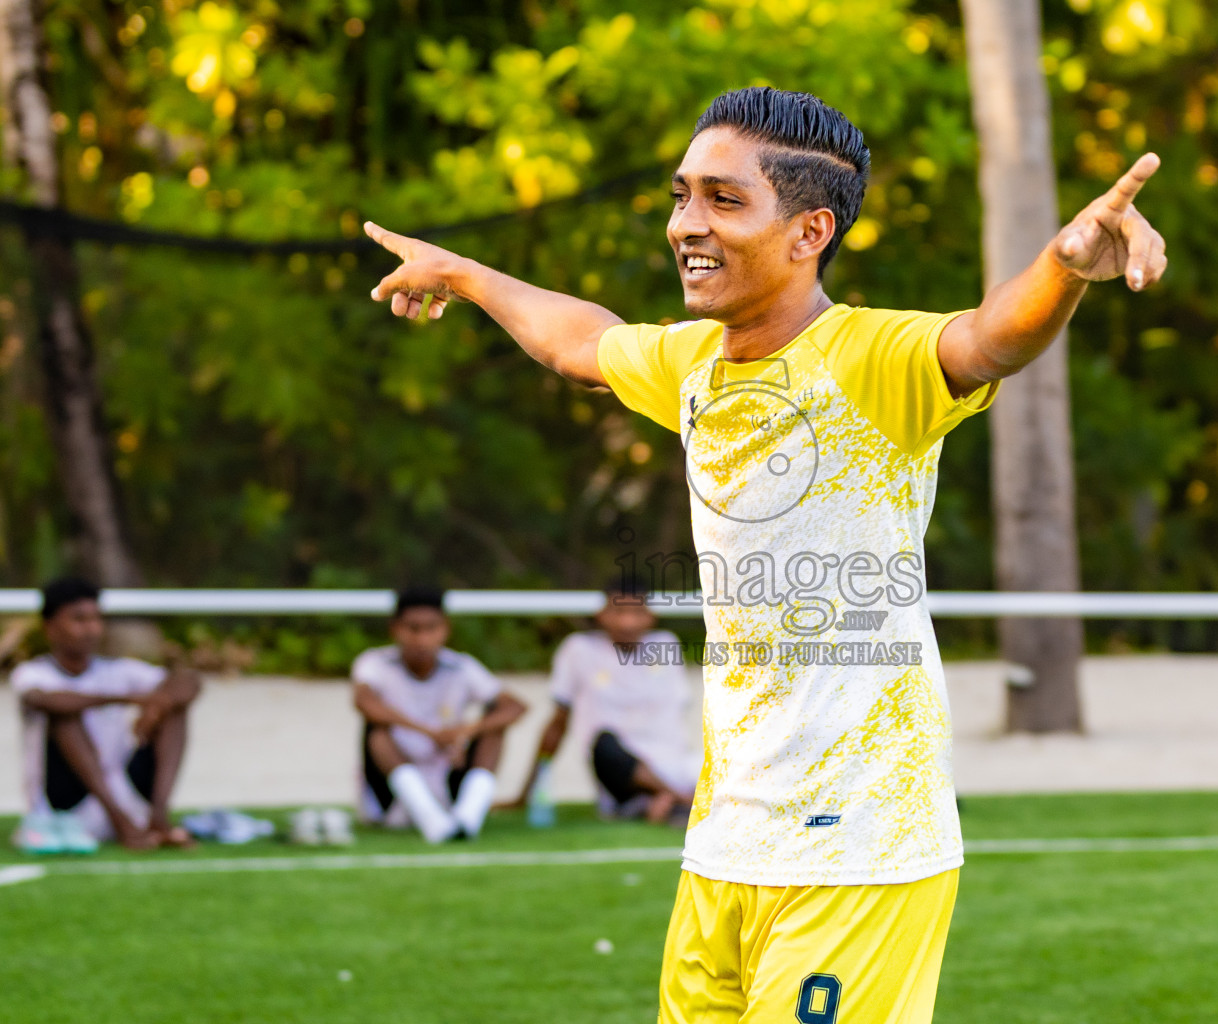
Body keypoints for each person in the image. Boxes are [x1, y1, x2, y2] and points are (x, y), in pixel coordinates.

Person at [366, 87, 1166, 1023]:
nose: (685, 224)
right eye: (680, 196)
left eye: (722, 199)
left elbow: (988, 340)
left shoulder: (871, 357)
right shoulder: (695, 362)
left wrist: (1064, 269)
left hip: (859, 850)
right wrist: (463, 274)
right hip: (727, 844)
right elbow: (581, 342)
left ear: (808, 231)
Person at [12, 577, 201, 851]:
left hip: (126, 792)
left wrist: (159, 704)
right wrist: (129, 699)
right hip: (67, 809)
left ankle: (158, 817)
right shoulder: (33, 673)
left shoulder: (118, 669)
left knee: (175, 709)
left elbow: (189, 682)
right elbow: (46, 700)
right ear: (50, 628)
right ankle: (123, 824)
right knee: (65, 715)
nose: (91, 629)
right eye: (79, 620)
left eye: (95, 619)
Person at [517, 580, 700, 825]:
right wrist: (526, 792)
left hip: (677, 766)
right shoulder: (578, 649)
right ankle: (683, 802)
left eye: (636, 613)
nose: (628, 622)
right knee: (604, 744)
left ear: (650, 616)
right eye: (619, 612)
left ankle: (667, 800)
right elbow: (558, 723)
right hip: (622, 776)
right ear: (601, 615)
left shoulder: (666, 644)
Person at [353, 585, 526, 843]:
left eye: (431, 628)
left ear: (445, 629)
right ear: (395, 629)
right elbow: (364, 703)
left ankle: (468, 817)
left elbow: (515, 706)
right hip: (394, 786)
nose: (422, 639)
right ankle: (430, 821)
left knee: (494, 729)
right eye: (413, 628)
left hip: (448, 772)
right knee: (377, 731)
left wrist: (465, 731)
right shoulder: (374, 663)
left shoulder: (461, 666)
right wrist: (429, 732)